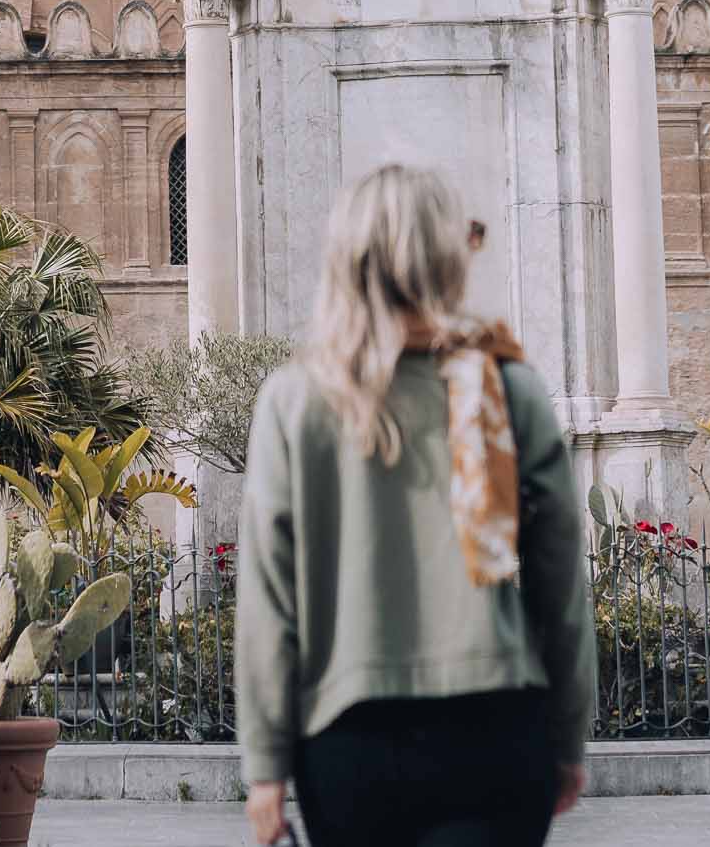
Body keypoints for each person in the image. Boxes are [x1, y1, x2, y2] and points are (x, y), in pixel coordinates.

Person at [237, 164, 595, 847]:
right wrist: (568, 733)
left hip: (350, 743)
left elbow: (268, 599)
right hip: (496, 727)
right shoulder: (505, 386)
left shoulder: (294, 401)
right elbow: (559, 583)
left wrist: (265, 766)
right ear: (447, 253)